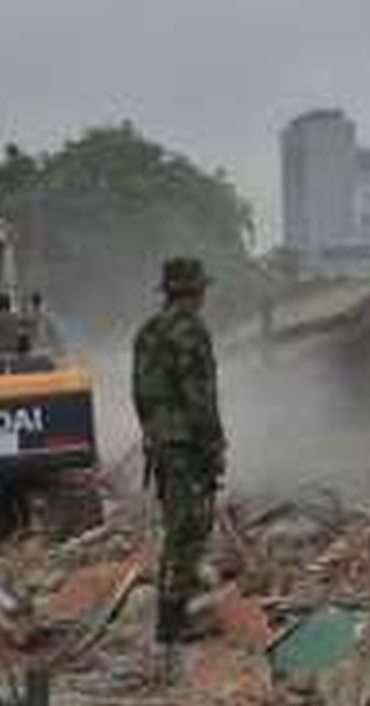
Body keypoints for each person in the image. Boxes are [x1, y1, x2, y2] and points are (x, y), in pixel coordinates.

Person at [132, 257, 225, 676]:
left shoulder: (147, 331)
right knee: (188, 535)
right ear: (196, 292)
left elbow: (141, 395)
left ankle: (168, 631)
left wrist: (155, 433)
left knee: (176, 531)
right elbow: (200, 397)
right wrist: (213, 447)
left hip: (162, 446)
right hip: (187, 447)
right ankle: (171, 636)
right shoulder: (191, 330)